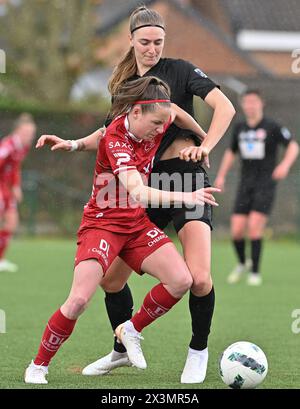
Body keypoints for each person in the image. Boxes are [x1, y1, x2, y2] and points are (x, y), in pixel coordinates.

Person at [36, 5, 235, 384]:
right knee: (111, 280)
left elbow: (223, 107)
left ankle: (198, 350)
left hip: (186, 182)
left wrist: (204, 144)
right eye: (145, 42)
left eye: (158, 42)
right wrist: (74, 143)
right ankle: (123, 349)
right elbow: (110, 131)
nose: (152, 49)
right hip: (145, 188)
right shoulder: (124, 84)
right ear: (131, 41)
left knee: (200, 277)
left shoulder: (179, 69)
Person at [215, 89, 299, 286]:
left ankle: (255, 272)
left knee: (254, 228)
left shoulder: (272, 126)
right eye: (247, 102)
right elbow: (231, 152)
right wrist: (221, 176)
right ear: (243, 105)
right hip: (245, 183)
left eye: (254, 102)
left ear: (262, 103)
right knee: (236, 231)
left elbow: (293, 146)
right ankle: (242, 263)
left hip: (265, 184)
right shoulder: (240, 128)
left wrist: (284, 165)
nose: (250, 105)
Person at [0, 113, 36, 273]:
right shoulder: (8, 145)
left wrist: (15, 186)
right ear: (17, 131)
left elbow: (15, 167)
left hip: (6, 188)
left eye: (31, 134)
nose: (29, 137)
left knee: (12, 222)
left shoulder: (24, 147)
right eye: (26, 133)